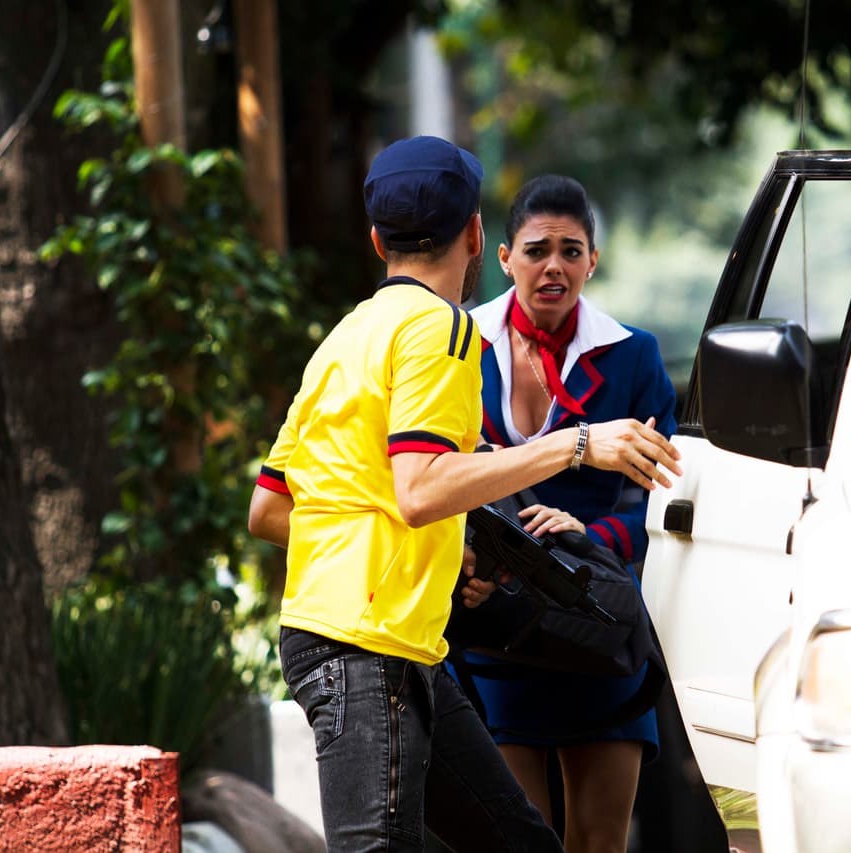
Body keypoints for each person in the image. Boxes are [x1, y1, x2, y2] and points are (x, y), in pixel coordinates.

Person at [245, 136, 681, 853]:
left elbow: (271, 510)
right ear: (483, 239)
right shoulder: (441, 329)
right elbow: (419, 490)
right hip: (366, 647)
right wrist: (575, 443)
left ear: (377, 237)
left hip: (389, 647)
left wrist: (442, 551)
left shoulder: (345, 338)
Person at [458, 174, 679, 853]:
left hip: (596, 623)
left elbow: (665, 496)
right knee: (516, 840)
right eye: (536, 249)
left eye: (571, 249)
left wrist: (594, 534)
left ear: (593, 261)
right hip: (496, 625)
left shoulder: (633, 355)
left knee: (599, 842)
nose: (553, 265)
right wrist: (465, 563)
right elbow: (427, 475)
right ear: (503, 258)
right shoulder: (457, 345)